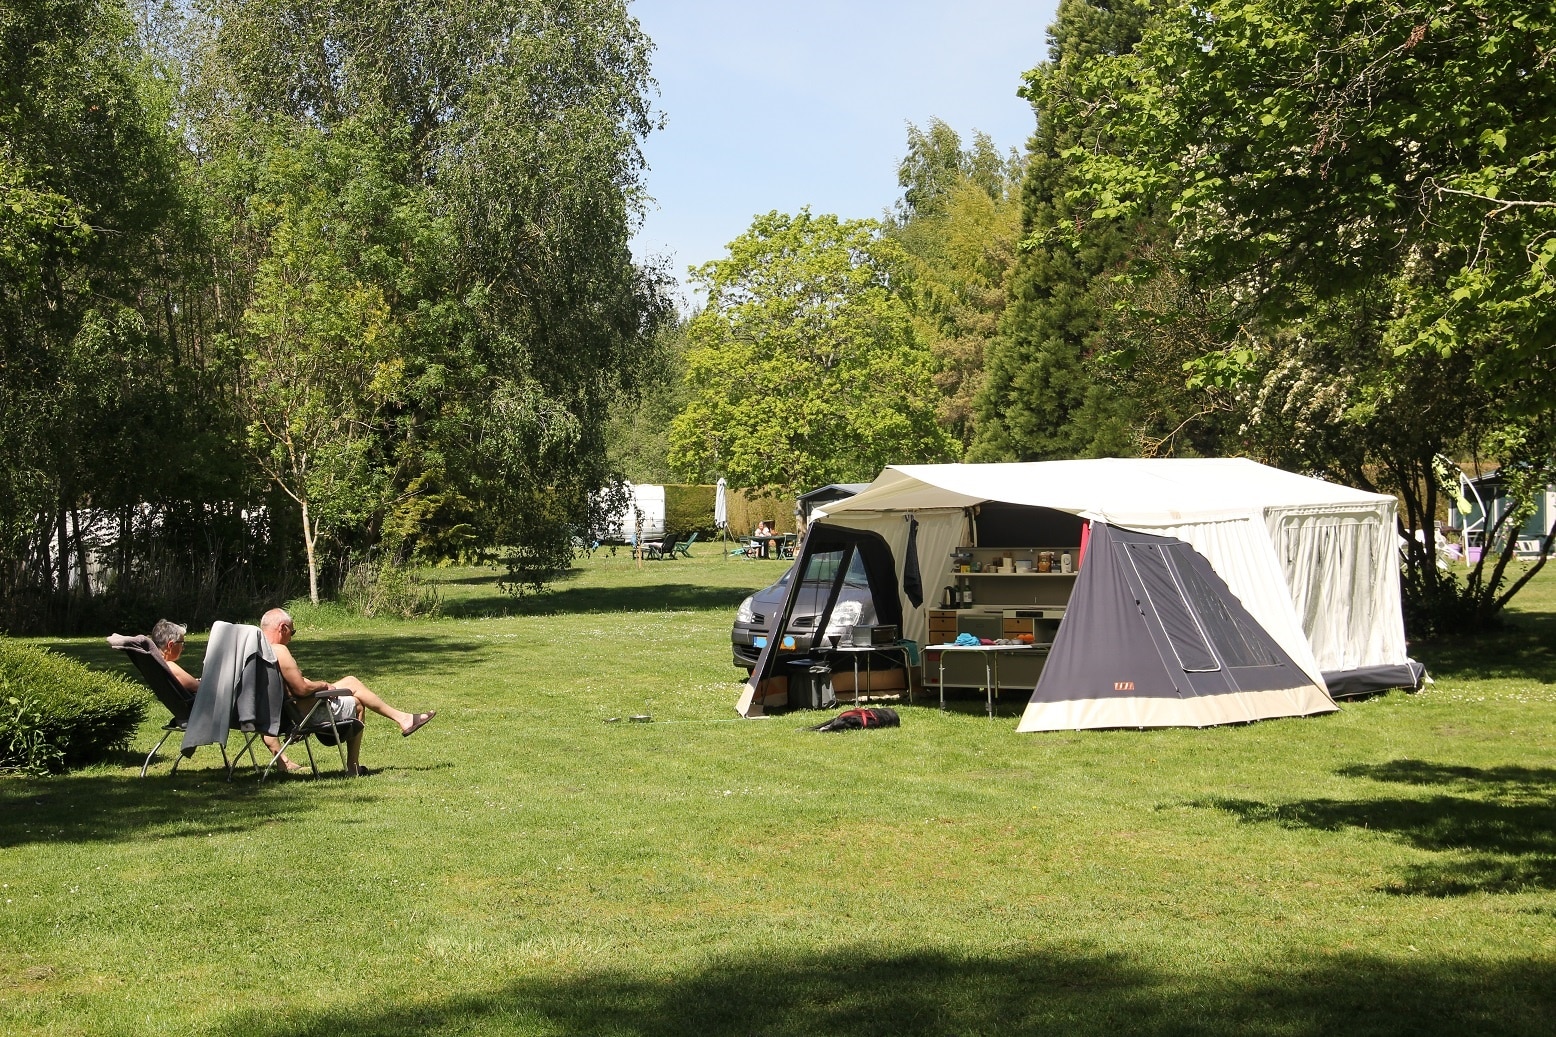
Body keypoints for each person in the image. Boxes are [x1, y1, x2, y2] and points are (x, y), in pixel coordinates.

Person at [259, 608, 435, 777]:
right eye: (292, 632)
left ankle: (403, 719)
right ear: (283, 628)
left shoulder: (257, 651)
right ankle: (355, 765)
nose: (291, 638)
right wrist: (323, 685)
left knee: (351, 682)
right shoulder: (278, 650)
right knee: (357, 702)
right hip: (307, 711)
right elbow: (301, 689)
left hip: (287, 711)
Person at [152, 617, 307, 775]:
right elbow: (200, 687)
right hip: (209, 711)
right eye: (182, 643)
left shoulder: (161, 667)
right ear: (170, 645)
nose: (183, 647)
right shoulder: (171, 667)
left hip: (194, 709)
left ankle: (283, 758)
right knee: (259, 703)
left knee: (258, 702)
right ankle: (287, 744)